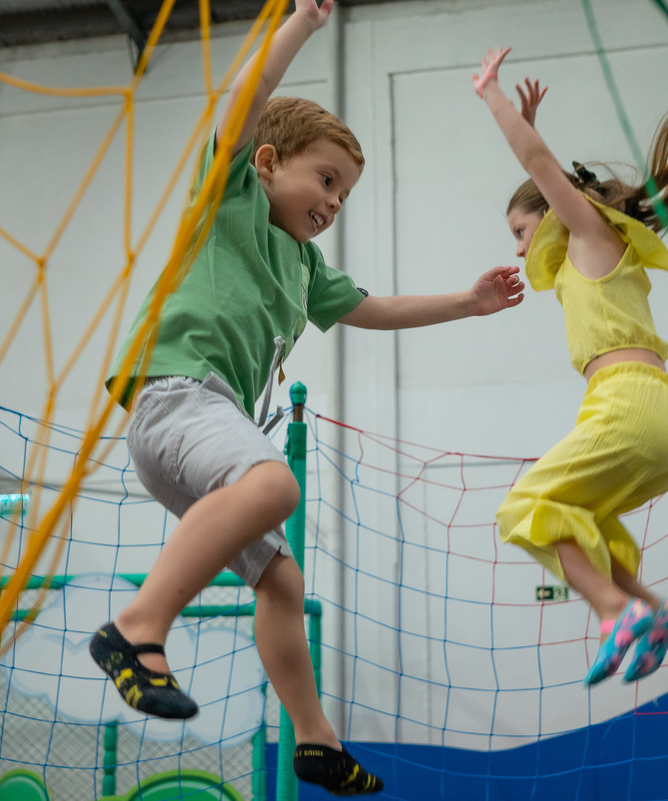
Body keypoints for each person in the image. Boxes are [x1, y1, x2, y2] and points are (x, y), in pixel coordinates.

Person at [89, 3, 525, 795]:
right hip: (179, 398)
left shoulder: (305, 267)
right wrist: (299, 25)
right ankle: (135, 627)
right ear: (266, 162)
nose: (332, 201)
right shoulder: (231, 199)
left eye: (345, 194)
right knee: (274, 485)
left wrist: (466, 303)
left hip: (204, 431)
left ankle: (316, 738)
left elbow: (373, 309)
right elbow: (248, 98)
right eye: (325, 179)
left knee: (282, 580)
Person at [474, 47, 668, 685]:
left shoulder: (593, 234)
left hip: (631, 404)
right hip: (657, 423)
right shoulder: (592, 255)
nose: (517, 246)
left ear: (554, 209)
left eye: (521, 229)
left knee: (523, 507)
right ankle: (649, 608)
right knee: (584, 515)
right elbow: (545, 166)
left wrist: (494, 98)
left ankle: (616, 611)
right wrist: (535, 124)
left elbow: (539, 166)